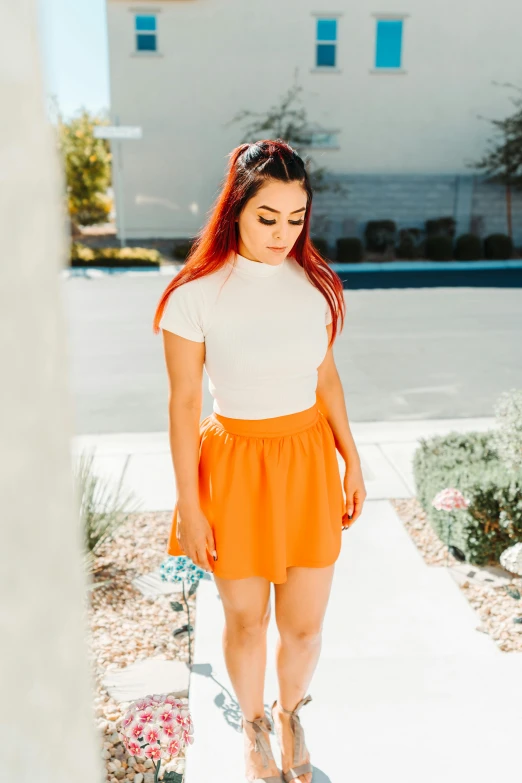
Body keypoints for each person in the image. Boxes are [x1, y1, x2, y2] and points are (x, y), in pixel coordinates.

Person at [153, 139, 366, 783]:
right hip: (234, 468)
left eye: (296, 217)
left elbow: (325, 380)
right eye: (267, 217)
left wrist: (351, 461)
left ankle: (292, 711)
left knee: (304, 628)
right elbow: (183, 406)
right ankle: (253, 728)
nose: (283, 233)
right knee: (247, 623)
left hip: (307, 463)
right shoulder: (195, 295)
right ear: (236, 211)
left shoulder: (315, 287)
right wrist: (190, 508)